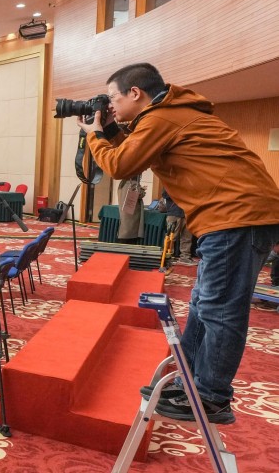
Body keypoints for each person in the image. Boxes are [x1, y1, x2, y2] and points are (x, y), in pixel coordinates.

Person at [77, 63, 279, 424]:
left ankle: (210, 397)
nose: (110, 106)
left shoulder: (161, 118)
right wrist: (109, 130)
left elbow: (121, 165)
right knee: (204, 303)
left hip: (236, 216)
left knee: (221, 310)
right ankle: (189, 382)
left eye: (113, 99)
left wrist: (95, 135)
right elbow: (136, 151)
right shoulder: (167, 116)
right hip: (231, 216)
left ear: (135, 93)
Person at [159, 188, 194, 264]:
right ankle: (167, 257)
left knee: (187, 238)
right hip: (174, 213)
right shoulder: (170, 181)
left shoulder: (188, 183)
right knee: (171, 238)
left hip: (187, 213)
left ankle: (185, 257)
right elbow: (164, 194)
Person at [116, 174, 145, 244]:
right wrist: (142, 190)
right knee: (130, 237)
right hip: (132, 214)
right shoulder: (133, 184)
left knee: (124, 232)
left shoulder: (122, 184)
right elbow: (140, 194)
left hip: (124, 212)